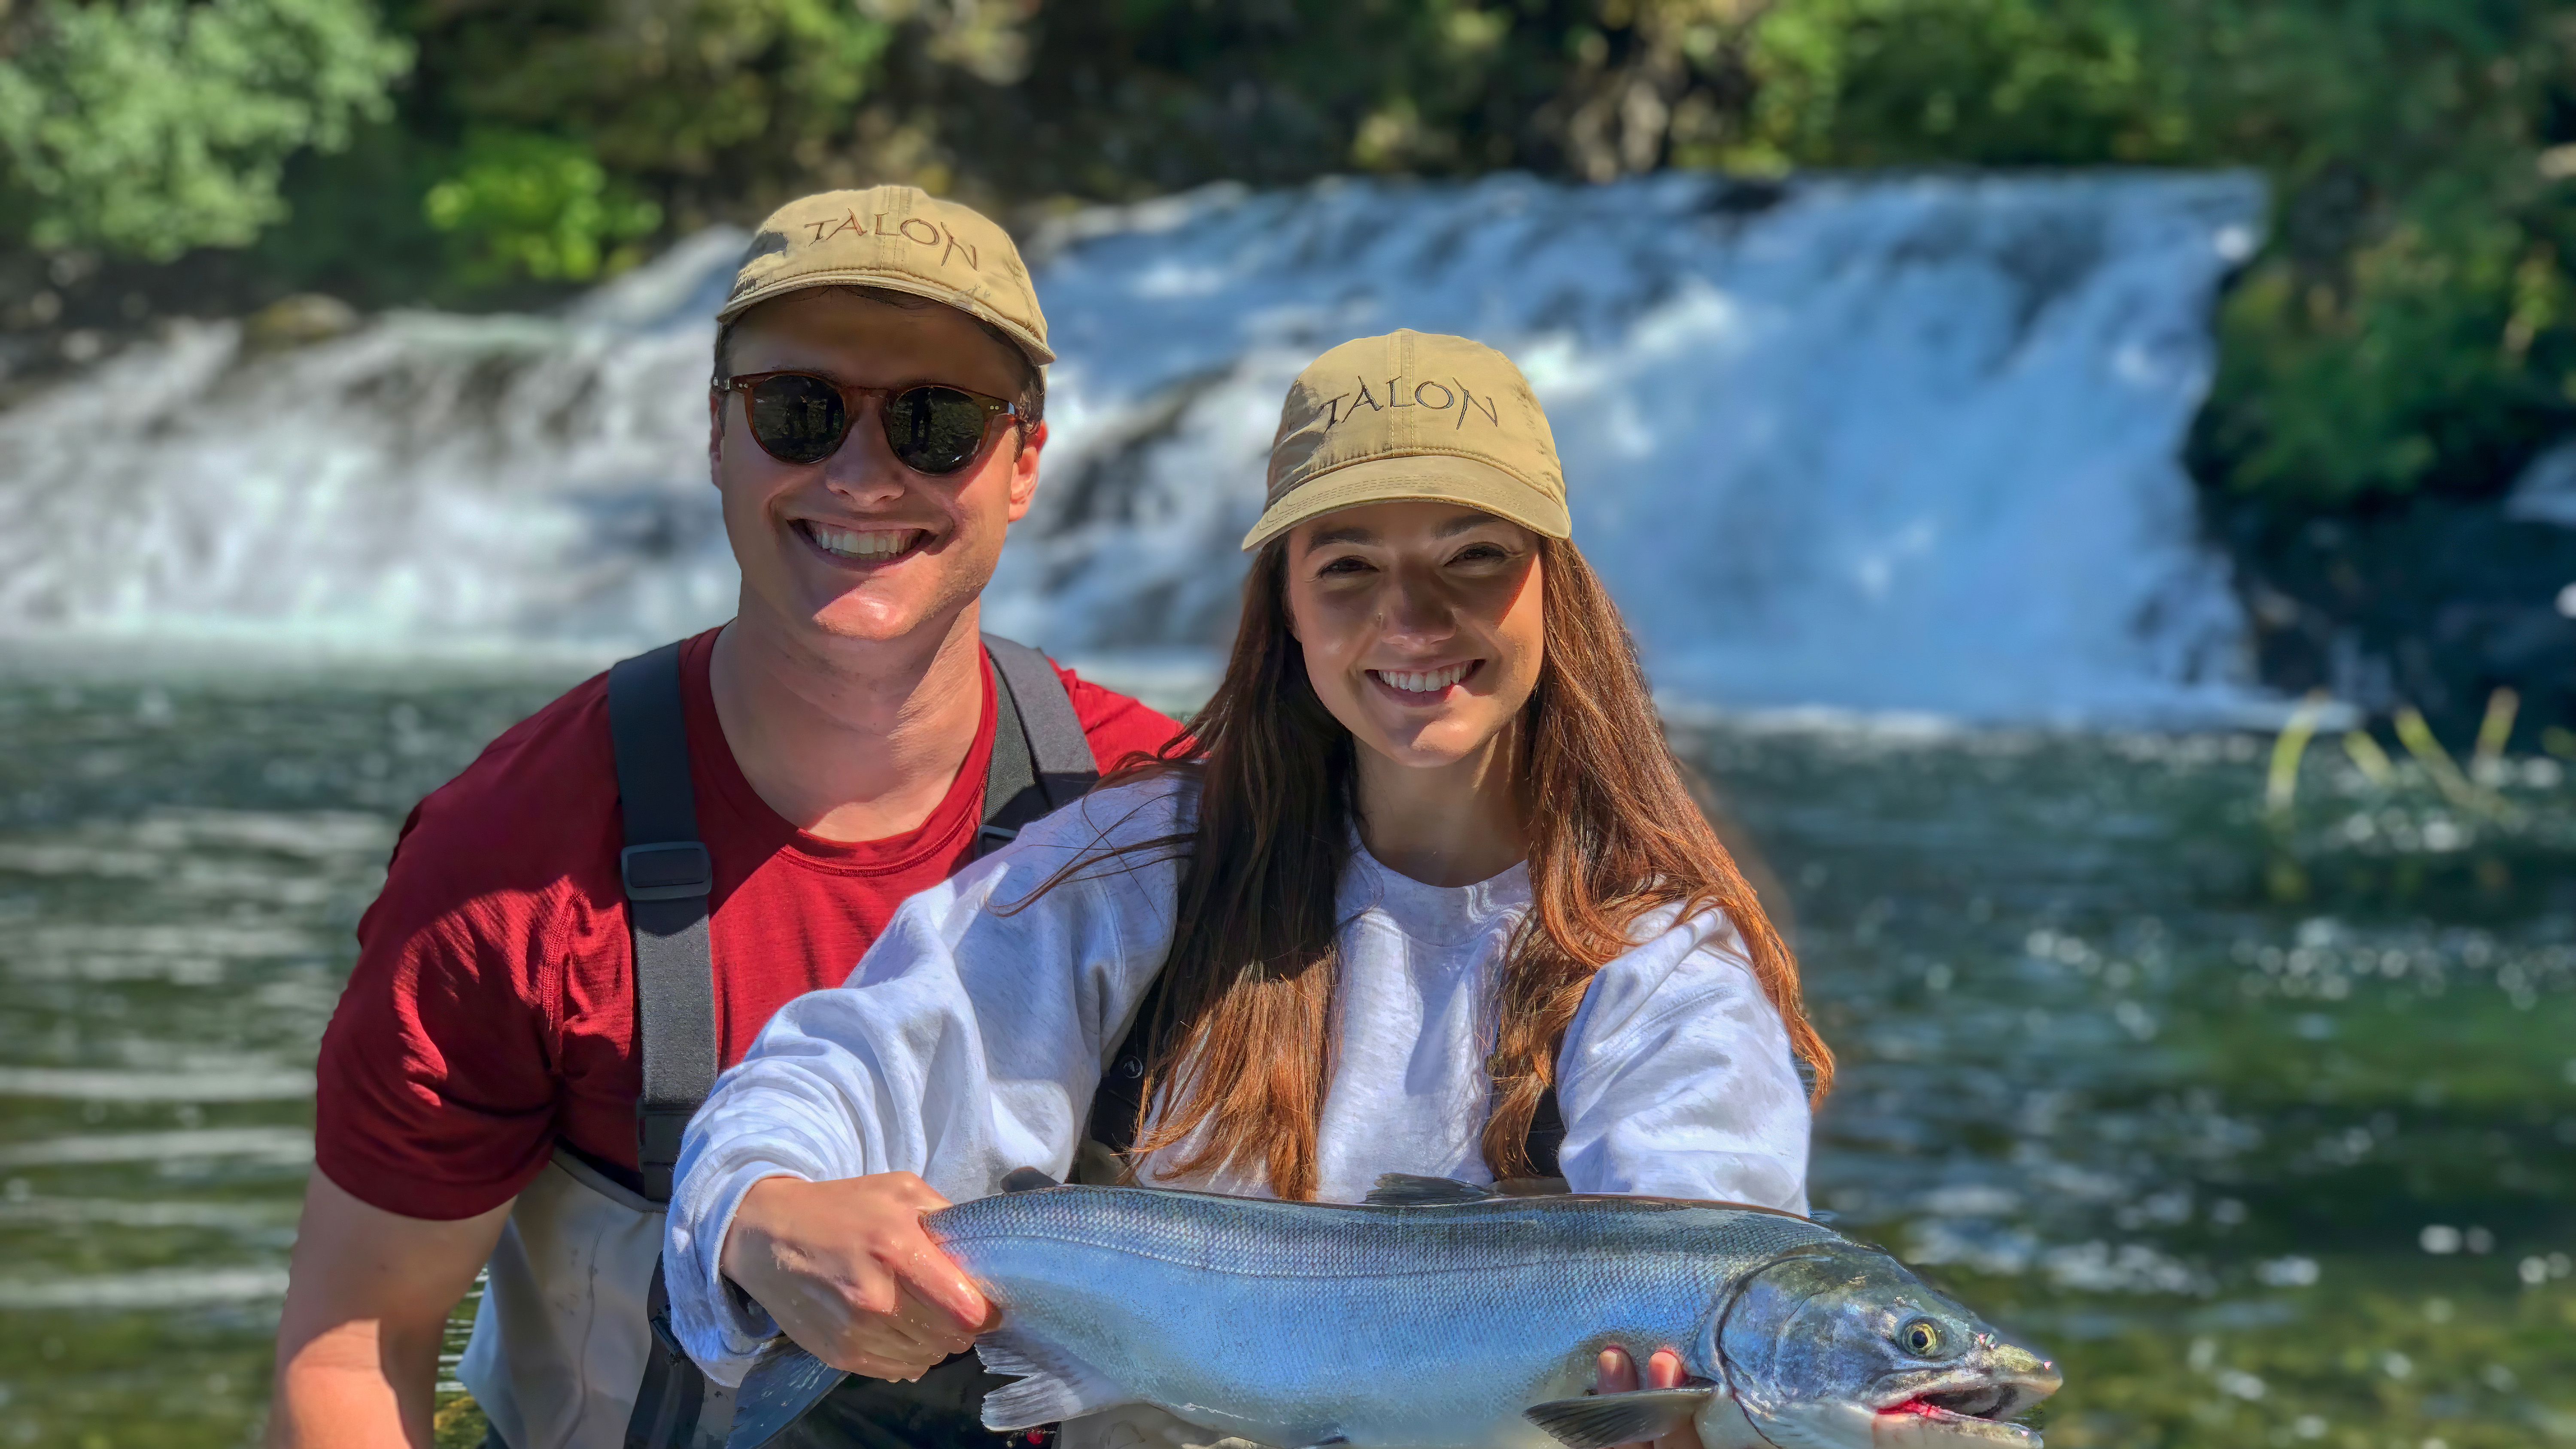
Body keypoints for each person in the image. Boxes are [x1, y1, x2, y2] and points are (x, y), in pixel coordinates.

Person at [662, 329, 1836, 1449]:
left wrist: (1691, 1415)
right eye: (1348, 568)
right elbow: (838, 1072)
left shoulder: (1666, 966)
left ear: (1554, 589)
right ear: (1284, 605)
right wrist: (767, 1213)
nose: (1412, 618)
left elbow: (1709, 1227)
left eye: (1473, 556)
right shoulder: (1136, 869)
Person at [266, 185, 1184, 1449]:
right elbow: (355, 1346)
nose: (863, 475)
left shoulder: (1167, 813)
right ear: (718, 435)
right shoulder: (510, 861)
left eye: (937, 423)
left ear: (1023, 464)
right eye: (799, 412)